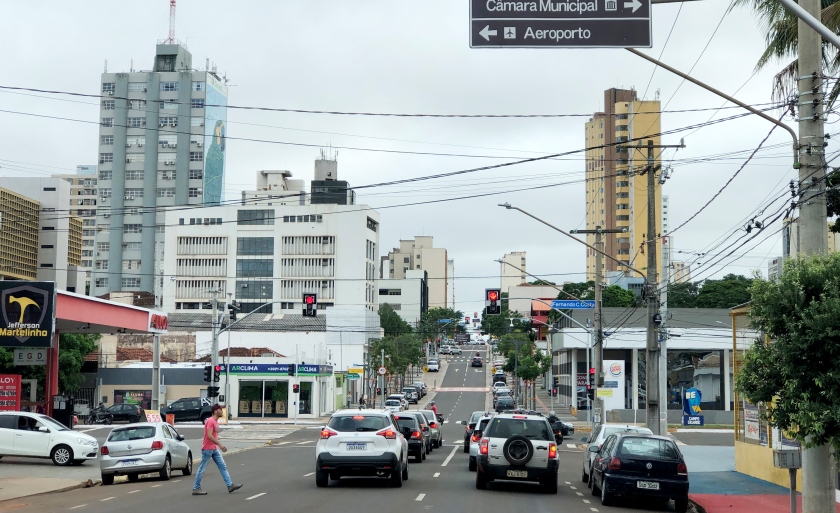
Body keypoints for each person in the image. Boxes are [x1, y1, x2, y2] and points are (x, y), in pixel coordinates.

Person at [192, 404, 243, 496]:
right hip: (207, 449)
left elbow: (213, 436)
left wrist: (218, 444)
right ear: (215, 411)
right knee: (202, 469)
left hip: (214, 449)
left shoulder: (215, 422)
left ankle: (230, 485)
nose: (222, 411)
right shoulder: (210, 421)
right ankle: (196, 488)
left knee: (223, 466)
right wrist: (220, 444)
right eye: (220, 409)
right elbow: (209, 435)